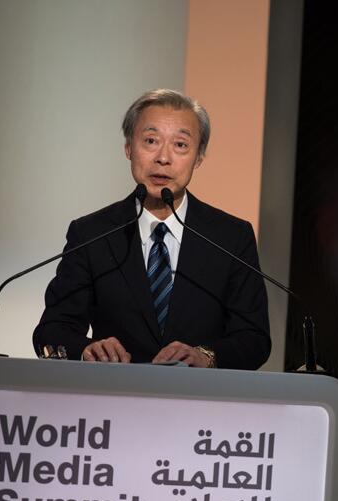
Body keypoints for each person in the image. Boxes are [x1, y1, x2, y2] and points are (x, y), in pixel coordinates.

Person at [33, 89, 270, 369]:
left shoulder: (231, 238)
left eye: (180, 144)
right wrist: (87, 350)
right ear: (128, 148)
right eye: (150, 141)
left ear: (198, 157)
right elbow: (52, 330)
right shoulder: (91, 234)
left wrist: (206, 356)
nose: (163, 158)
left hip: (199, 395)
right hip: (114, 394)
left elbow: (254, 338)